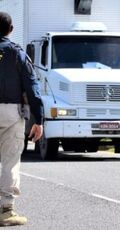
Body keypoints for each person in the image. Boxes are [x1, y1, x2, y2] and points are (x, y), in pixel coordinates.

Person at [0, 12, 43, 226]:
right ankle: (6, 211)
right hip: (10, 112)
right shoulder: (18, 54)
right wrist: (39, 120)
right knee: (10, 161)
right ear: (11, 29)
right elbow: (32, 87)